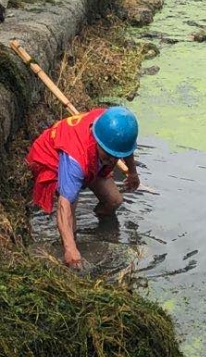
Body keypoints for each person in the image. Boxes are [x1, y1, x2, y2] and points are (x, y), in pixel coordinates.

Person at [26, 105, 141, 270]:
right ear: (96, 140)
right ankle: (70, 256)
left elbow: (123, 147)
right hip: (52, 156)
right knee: (71, 216)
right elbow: (63, 206)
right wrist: (71, 249)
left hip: (90, 159)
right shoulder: (75, 161)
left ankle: (102, 232)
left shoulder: (112, 126)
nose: (112, 161)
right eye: (108, 155)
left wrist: (133, 173)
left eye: (116, 157)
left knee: (114, 201)